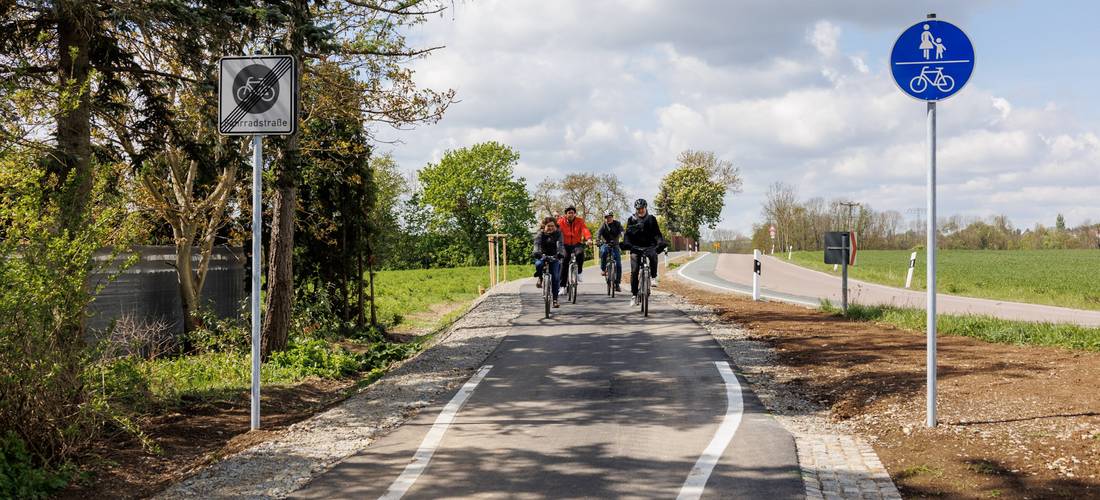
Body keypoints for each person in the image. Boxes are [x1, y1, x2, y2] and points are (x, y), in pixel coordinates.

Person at [623, 198, 666, 307]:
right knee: (634, 270)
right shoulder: (631, 219)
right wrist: (627, 243)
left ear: (645, 207)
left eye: (642, 208)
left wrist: (660, 242)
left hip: (649, 245)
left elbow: (657, 234)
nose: (640, 210)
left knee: (653, 256)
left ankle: (653, 277)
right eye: (638, 209)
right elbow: (627, 234)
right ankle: (634, 295)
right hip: (635, 247)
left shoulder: (651, 219)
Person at [532, 217, 565, 308]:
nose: (550, 228)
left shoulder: (558, 233)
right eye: (548, 226)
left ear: (555, 226)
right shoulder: (540, 234)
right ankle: (540, 277)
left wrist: (560, 253)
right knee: (538, 264)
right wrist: (537, 252)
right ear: (544, 226)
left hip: (555, 256)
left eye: (552, 226)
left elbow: (560, 244)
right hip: (542, 255)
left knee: (555, 277)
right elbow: (537, 244)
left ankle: (555, 299)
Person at [557, 206, 592, 285]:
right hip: (565, 245)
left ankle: (579, 272)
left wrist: (589, 239)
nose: (571, 214)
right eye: (569, 213)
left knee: (580, 254)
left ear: (575, 214)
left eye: (572, 213)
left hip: (577, 244)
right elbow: (557, 231)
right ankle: (562, 286)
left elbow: (585, 230)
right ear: (566, 214)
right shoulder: (560, 222)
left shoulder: (579, 221)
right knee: (564, 261)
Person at [597, 210, 623, 292]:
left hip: (615, 245)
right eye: (607, 217)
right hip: (605, 244)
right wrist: (598, 240)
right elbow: (598, 233)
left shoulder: (617, 224)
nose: (609, 219)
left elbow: (622, 231)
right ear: (605, 218)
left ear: (612, 217)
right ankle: (603, 269)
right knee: (604, 251)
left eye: (610, 217)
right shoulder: (603, 225)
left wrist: (624, 237)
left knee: (618, 264)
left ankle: (617, 283)